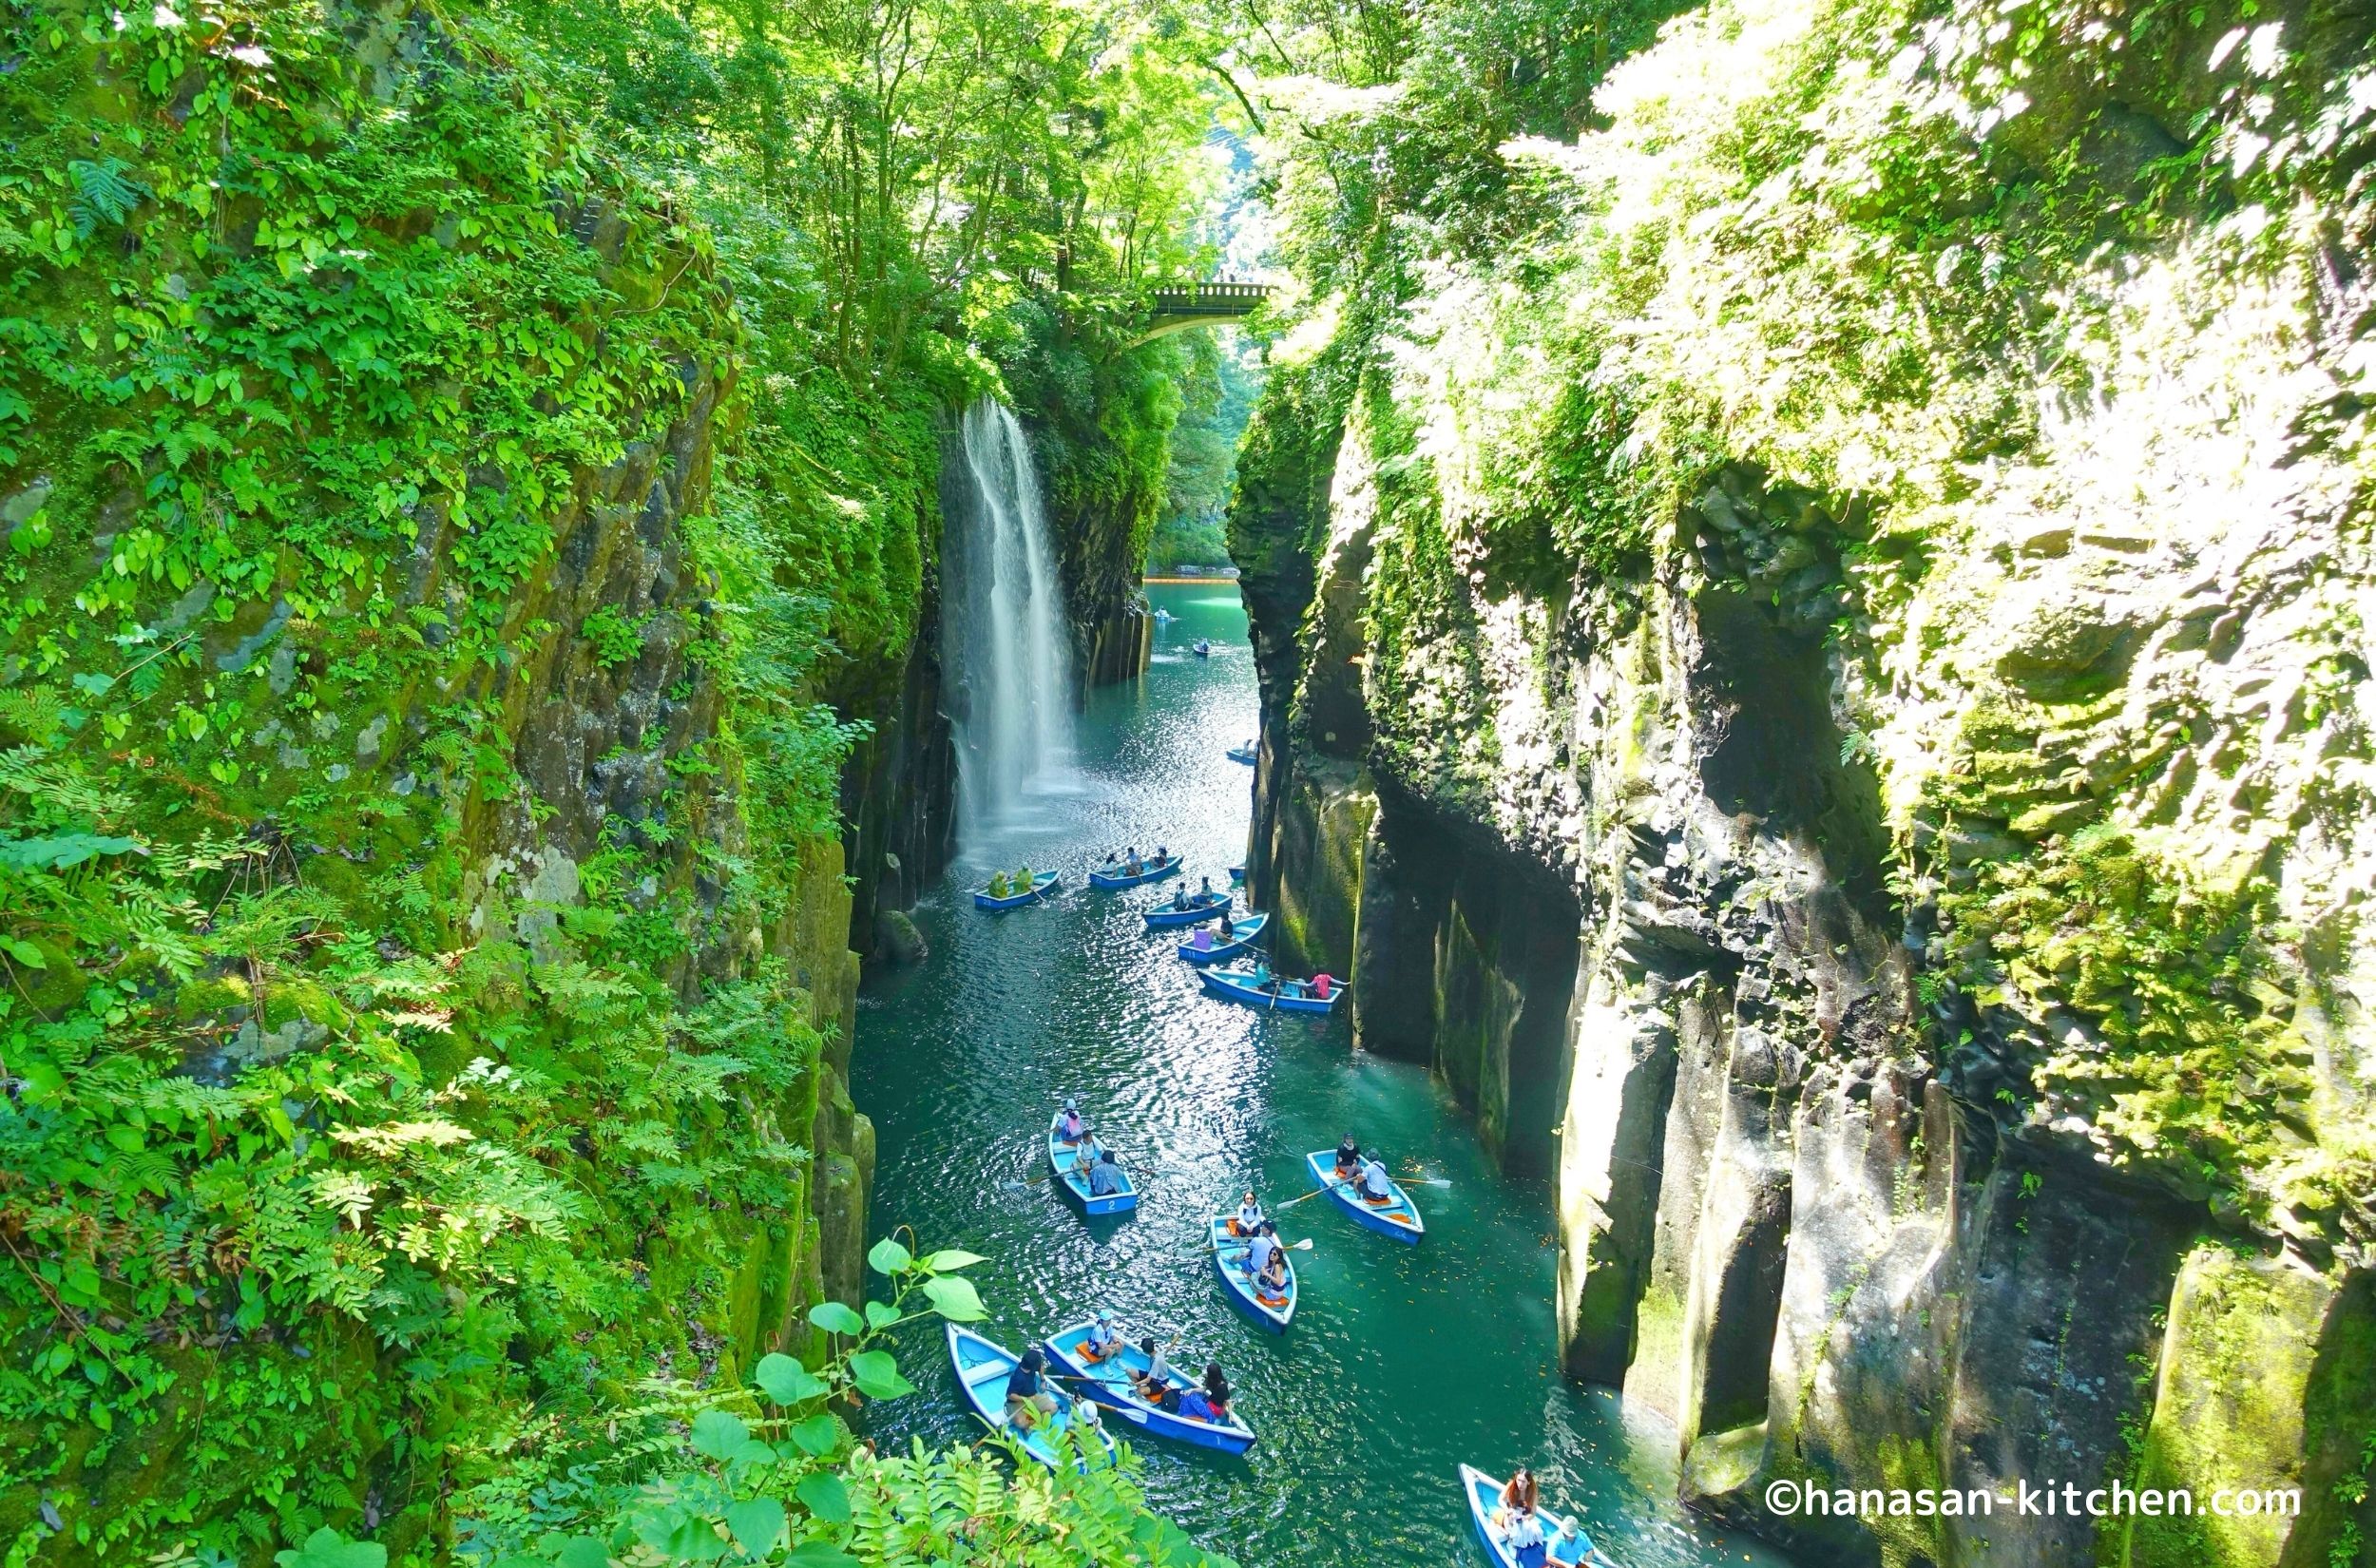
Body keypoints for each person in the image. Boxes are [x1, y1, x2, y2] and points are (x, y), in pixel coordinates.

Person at [1006, 1348, 1058, 1429]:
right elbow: (1009, 1395)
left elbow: (1041, 1367)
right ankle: (1031, 1424)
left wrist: (1042, 1381)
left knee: (1054, 1408)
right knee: (1021, 1424)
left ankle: (1033, 1425)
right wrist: (1026, 1399)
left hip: (1033, 1397)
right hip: (1016, 1402)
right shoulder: (1018, 1378)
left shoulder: (1031, 1366)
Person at [1129, 1336, 1174, 1402]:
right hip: (1152, 1377)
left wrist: (1134, 1384)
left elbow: (1147, 1380)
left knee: (1140, 1391)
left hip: (1159, 1383)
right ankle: (1140, 1388)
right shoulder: (1157, 1350)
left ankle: (1140, 1392)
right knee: (1129, 1371)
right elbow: (1167, 1349)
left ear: (1144, 1351)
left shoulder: (1156, 1362)